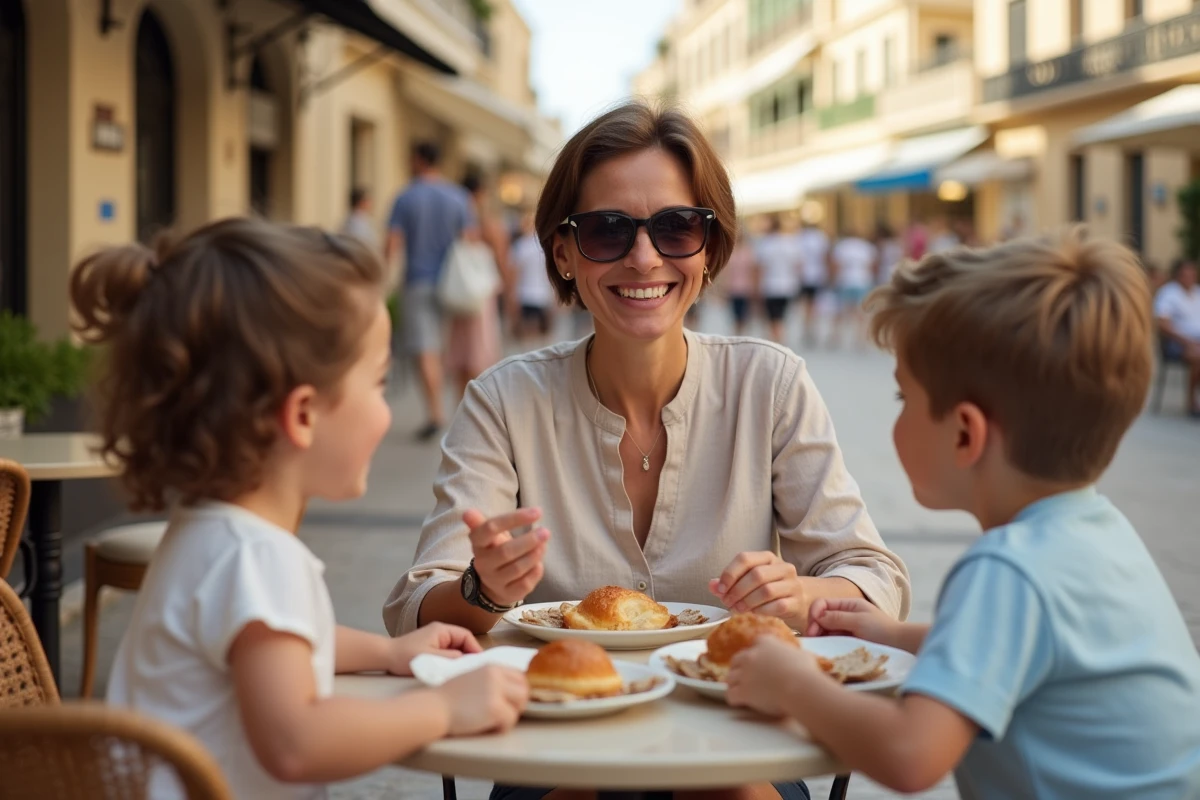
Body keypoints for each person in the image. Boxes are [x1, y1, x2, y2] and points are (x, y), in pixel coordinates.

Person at [383, 101, 910, 800]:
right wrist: (484, 589)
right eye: (606, 230)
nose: (643, 258)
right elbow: (415, 606)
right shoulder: (503, 400)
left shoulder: (770, 383)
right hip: (557, 740)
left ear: (710, 246)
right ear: (563, 252)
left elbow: (873, 576)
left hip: (739, 732)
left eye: (676, 227)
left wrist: (802, 589)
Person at [727, 231, 1200, 798]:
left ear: (966, 433)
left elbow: (910, 755)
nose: (895, 419)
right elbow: (1025, 650)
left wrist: (794, 683)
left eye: (905, 399)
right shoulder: (1098, 532)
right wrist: (896, 635)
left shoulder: (1005, 569)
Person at [71, 219, 528, 800]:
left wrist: (387, 652)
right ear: (304, 414)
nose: (387, 410)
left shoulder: (212, 530)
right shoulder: (258, 556)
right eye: (380, 382)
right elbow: (295, 743)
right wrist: (441, 707)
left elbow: (271, 641)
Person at [386, 142, 476, 441]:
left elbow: (392, 243)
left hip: (419, 281)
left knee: (426, 350)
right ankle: (454, 410)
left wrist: (384, 279)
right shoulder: (459, 197)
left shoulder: (406, 197)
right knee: (447, 348)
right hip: (454, 285)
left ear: (418, 160)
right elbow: (469, 239)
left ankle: (436, 414)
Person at [444, 173, 504, 399]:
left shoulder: (456, 215)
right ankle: (474, 407)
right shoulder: (483, 218)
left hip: (462, 290)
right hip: (480, 292)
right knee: (478, 354)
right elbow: (499, 253)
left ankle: (462, 407)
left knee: (463, 355)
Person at [1153, 257, 1200, 416]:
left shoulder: (1197, 292)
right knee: (1197, 355)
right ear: (1178, 275)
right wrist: (1187, 341)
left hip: (1197, 341)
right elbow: (1162, 324)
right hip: (1176, 343)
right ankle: (1191, 403)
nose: (1190, 277)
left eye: (1192, 274)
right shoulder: (1169, 293)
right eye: (1186, 274)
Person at [754, 214, 802, 344]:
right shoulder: (790, 243)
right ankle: (780, 340)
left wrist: (757, 287)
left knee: (773, 317)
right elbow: (798, 266)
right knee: (781, 316)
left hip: (770, 285)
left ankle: (778, 341)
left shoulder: (766, 244)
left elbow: (760, 268)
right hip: (788, 285)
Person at [510, 211, 555, 342]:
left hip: (525, 294)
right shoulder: (545, 246)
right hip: (542, 295)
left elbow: (514, 273)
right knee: (543, 337)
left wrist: (512, 296)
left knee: (527, 336)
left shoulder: (520, 246)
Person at [829, 229, 877, 348]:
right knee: (861, 312)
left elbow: (836, 265)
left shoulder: (842, 246)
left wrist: (833, 279)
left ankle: (836, 337)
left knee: (841, 310)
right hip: (862, 280)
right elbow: (872, 265)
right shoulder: (866, 247)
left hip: (845, 280)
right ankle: (860, 339)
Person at [796, 218, 831, 347]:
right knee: (814, 305)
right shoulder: (821, 237)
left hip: (804, 275)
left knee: (805, 305)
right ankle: (813, 329)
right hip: (817, 275)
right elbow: (825, 257)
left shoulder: (801, 237)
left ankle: (806, 329)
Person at [721, 224, 757, 336]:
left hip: (742, 289)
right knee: (738, 316)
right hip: (737, 289)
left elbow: (752, 272)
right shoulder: (744, 252)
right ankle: (739, 335)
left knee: (741, 316)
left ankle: (739, 334)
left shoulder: (745, 252)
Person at [340, 187, 379, 253]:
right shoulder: (356, 223)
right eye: (368, 200)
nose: (371, 203)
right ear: (361, 202)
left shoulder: (354, 220)